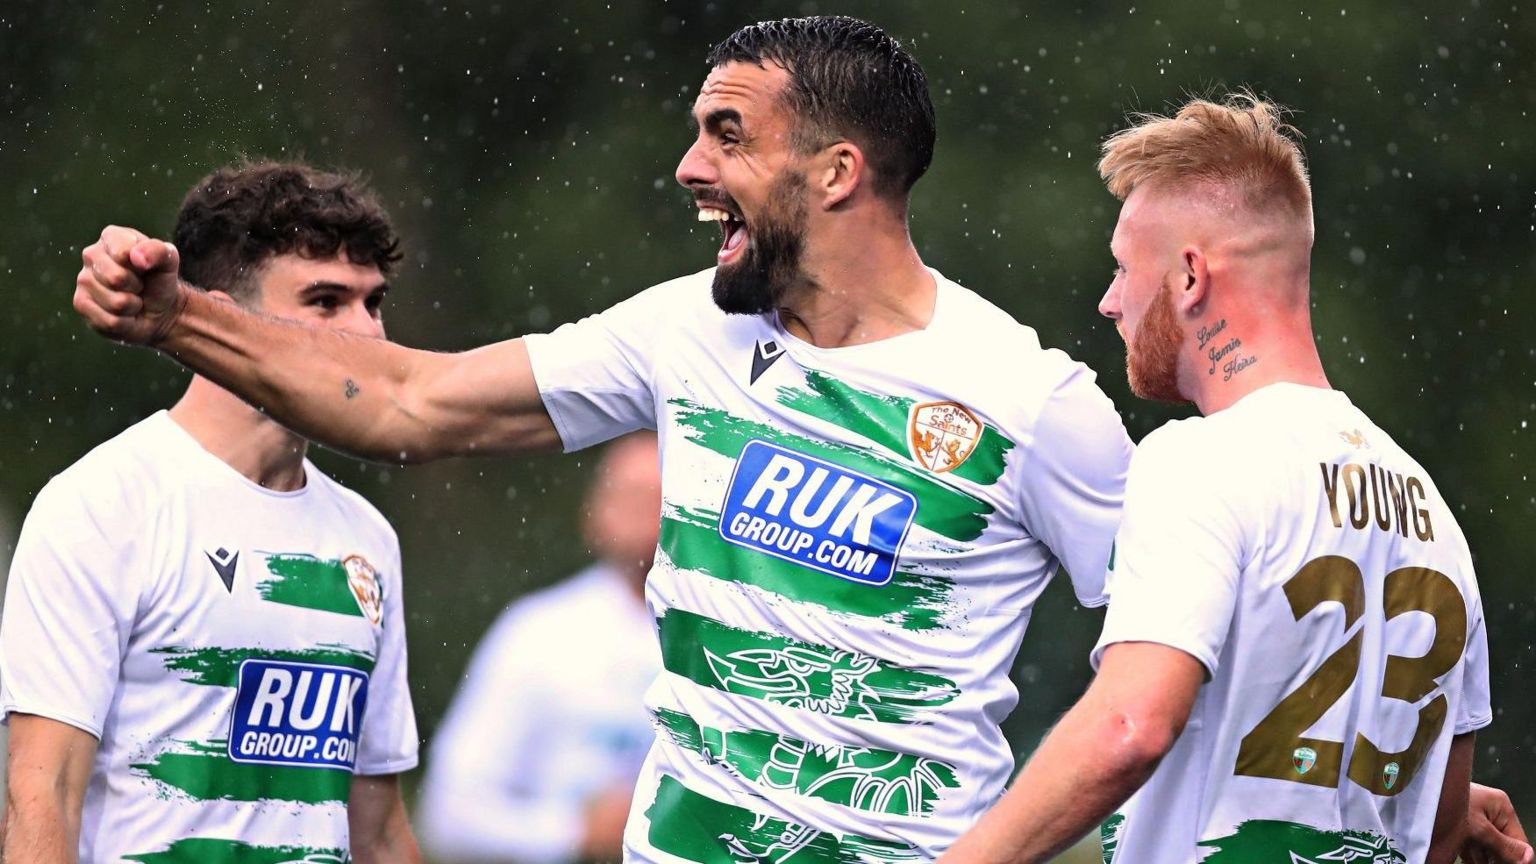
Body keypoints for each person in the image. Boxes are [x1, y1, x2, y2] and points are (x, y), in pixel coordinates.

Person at [66, 20, 1531, 864]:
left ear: (836, 171)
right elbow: (408, 404)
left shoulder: (1032, 405)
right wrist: (181, 319)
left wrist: (1402, 785)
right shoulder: (684, 333)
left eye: (725, 133)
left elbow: (1183, 662)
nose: (690, 165)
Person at [940, 95, 1519, 864]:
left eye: (1122, 267)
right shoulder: (1432, 512)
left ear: (1188, 276)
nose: (1110, 301)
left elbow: (1129, 728)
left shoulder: (1198, 459)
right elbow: (1439, 828)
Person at [6, 161, 421, 863]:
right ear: (222, 316)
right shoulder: (103, 506)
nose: (368, 334)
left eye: (372, 302)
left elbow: (376, 834)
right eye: (325, 301)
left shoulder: (366, 537)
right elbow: (43, 795)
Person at [419, 432, 662, 863]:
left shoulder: (732, 640)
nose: (643, 512)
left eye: (658, 497)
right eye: (629, 494)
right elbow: (448, 812)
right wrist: (575, 833)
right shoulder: (541, 631)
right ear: (595, 511)